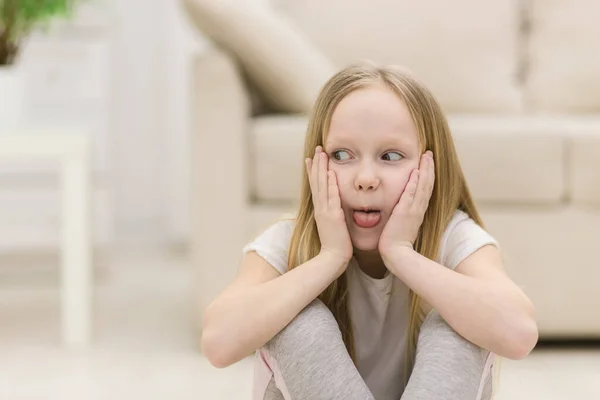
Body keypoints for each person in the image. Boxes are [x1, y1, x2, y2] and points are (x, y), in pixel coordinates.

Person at [200, 63, 539, 400]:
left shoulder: (453, 237)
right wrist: (329, 258)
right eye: (342, 155)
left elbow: (519, 333)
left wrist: (401, 253)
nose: (365, 178)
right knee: (299, 319)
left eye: (390, 156)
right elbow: (218, 342)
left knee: (458, 324)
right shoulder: (289, 241)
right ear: (315, 163)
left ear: (431, 166)